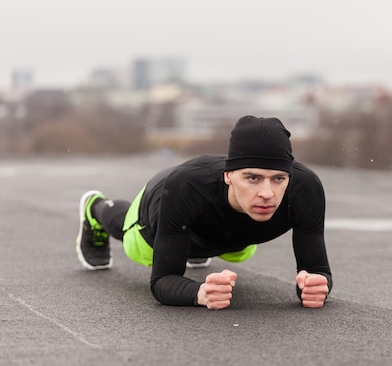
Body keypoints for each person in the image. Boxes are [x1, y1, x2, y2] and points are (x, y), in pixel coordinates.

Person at [75, 116, 331, 309]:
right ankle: (94, 208)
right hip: (164, 207)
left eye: (278, 179)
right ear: (228, 175)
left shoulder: (305, 189)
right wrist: (199, 293)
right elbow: (163, 281)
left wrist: (316, 286)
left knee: (240, 252)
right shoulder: (186, 188)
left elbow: (318, 270)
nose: (267, 193)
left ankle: (194, 245)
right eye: (253, 178)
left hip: (226, 235)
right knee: (134, 242)